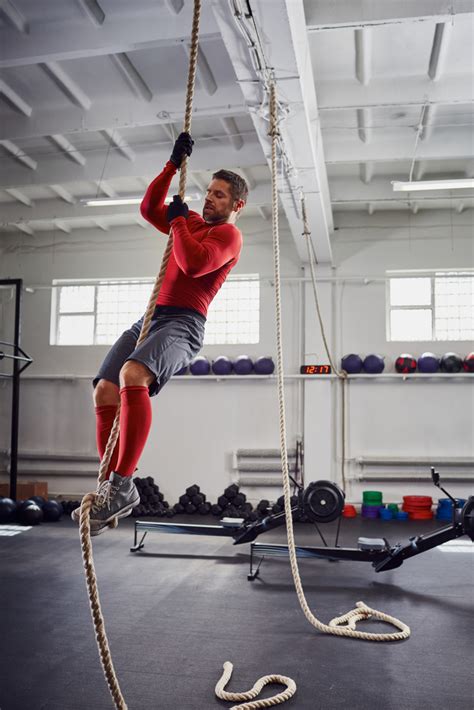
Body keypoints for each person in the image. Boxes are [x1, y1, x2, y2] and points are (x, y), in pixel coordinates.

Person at [73, 132, 248, 535]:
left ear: (236, 204)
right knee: (103, 389)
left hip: (184, 323)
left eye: (219, 195)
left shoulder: (228, 236)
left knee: (132, 376)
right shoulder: (188, 222)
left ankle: (122, 484)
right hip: (151, 319)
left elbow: (192, 264)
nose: (209, 198)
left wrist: (179, 223)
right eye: (209, 191)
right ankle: (109, 488)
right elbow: (149, 206)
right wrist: (172, 165)